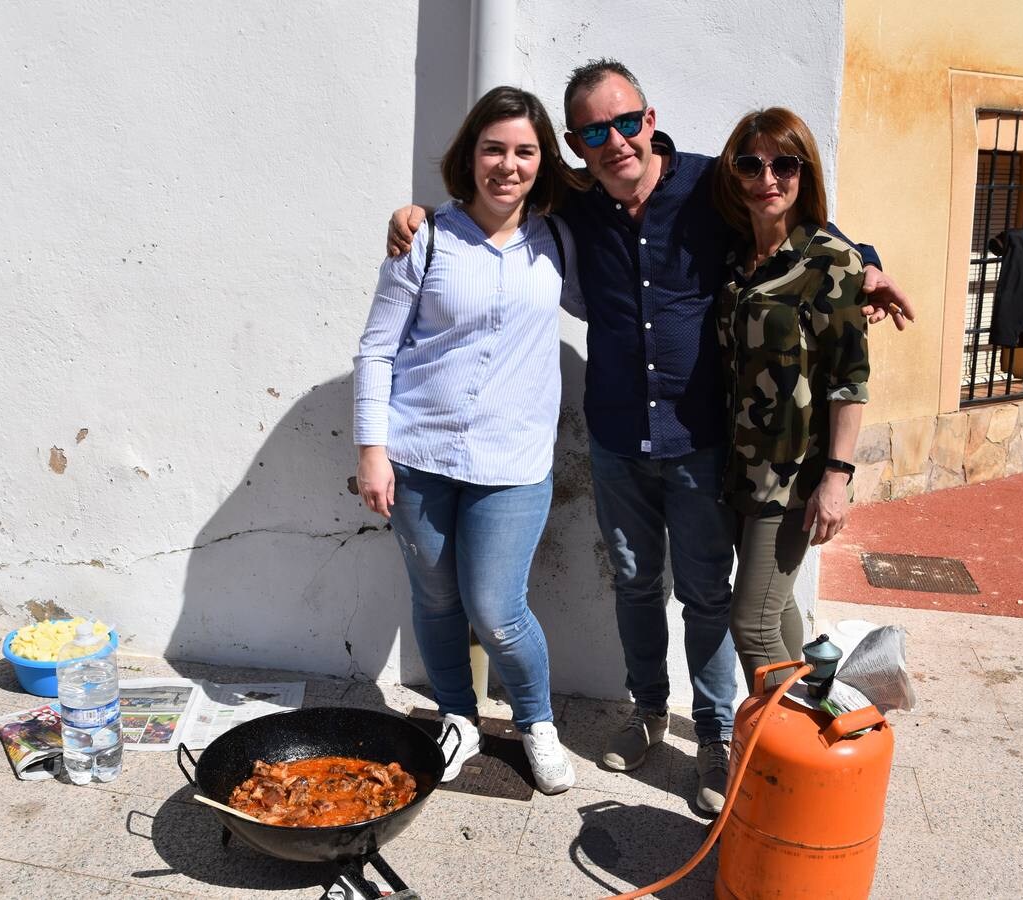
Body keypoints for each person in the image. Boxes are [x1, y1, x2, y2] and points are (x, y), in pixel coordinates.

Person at [388, 60, 914, 814]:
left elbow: (791, 222)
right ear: (575, 144)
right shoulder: (571, 200)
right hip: (618, 438)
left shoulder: (709, 185)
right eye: (595, 131)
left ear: (649, 116)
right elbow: (488, 195)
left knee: (706, 594)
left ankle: (709, 733)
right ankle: (644, 710)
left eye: (626, 121)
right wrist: (414, 215)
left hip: (701, 440)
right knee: (636, 584)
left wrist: (864, 262)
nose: (616, 142)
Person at [353, 86, 584, 795]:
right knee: (436, 599)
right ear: (470, 155)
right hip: (419, 457)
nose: (507, 165)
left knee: (496, 607)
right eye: (494, 149)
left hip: (512, 465)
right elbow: (377, 349)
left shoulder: (561, 239)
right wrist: (372, 448)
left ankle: (537, 721)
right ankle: (458, 716)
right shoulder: (424, 237)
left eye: (524, 151)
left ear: (543, 161)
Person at [712, 109, 869, 691]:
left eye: (785, 163)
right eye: (751, 164)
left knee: (750, 624)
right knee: (775, 610)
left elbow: (849, 379)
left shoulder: (831, 260)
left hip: (793, 475)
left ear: (806, 171)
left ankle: (778, 746)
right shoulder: (734, 261)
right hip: (737, 468)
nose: (767, 177)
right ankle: (816, 717)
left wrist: (836, 478)